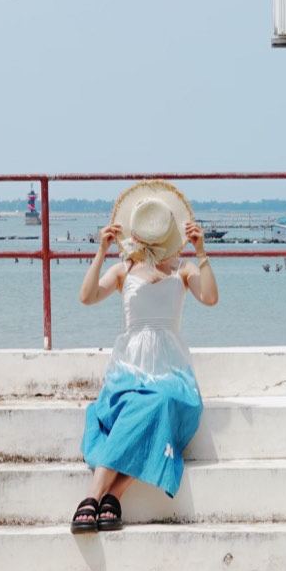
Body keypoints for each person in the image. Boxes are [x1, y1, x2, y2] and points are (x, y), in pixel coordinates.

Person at [71, 180, 219, 533]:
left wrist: (201, 251)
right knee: (141, 404)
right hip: (130, 369)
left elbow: (210, 298)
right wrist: (101, 252)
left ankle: (103, 494)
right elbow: (87, 296)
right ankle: (105, 498)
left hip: (171, 372)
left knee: (161, 401)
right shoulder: (124, 269)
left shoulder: (182, 270)